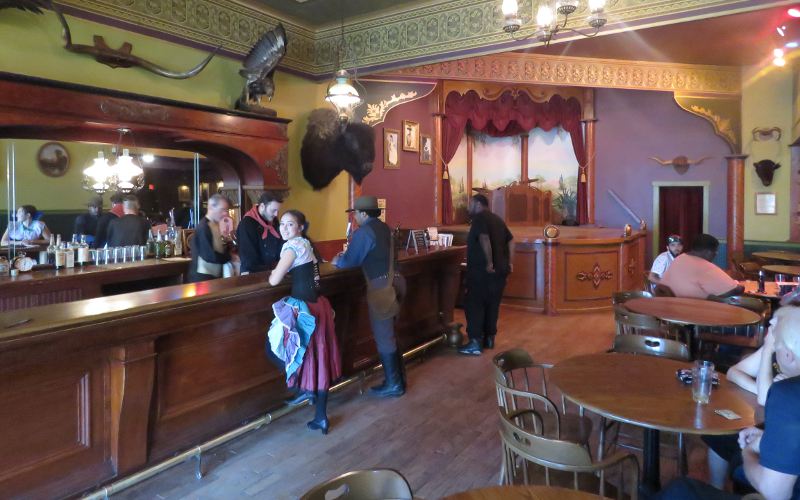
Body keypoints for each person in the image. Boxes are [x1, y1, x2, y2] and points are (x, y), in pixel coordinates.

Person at [654, 305, 800, 500]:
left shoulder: (788, 395)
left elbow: (774, 493)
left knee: (678, 491)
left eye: (777, 346)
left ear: (788, 355)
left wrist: (750, 453)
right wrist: (764, 439)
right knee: (721, 437)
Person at [266, 210, 341, 435]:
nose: (285, 228)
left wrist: (276, 272)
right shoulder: (306, 244)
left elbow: (273, 280)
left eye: (291, 224)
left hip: (304, 309)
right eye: (283, 224)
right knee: (319, 359)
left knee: (273, 347)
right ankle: (320, 415)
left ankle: (301, 384)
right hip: (319, 306)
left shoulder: (292, 246)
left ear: (300, 227)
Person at [332, 195, 405, 398]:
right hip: (397, 282)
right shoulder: (386, 228)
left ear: (364, 213)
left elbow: (350, 261)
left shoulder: (364, 232)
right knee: (391, 333)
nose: (354, 217)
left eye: (355, 213)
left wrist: (338, 259)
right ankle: (398, 379)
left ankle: (394, 384)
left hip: (381, 287)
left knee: (384, 337)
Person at [458, 194, 514, 356]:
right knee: (492, 305)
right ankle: (489, 339)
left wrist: (489, 262)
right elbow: (511, 240)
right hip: (500, 273)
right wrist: (510, 262)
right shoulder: (497, 219)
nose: (468, 208)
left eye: (470, 204)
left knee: (474, 304)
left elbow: (484, 239)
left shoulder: (479, 219)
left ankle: (475, 342)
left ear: (477, 204)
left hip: (481, 272)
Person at [660, 233, 743, 299]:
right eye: (715, 251)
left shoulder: (679, 259)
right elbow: (733, 290)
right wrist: (740, 287)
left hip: (671, 310)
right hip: (695, 314)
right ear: (708, 252)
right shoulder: (705, 266)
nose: (716, 254)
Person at [188, 194, 232, 282]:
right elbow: (209, 256)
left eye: (227, 210)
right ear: (211, 207)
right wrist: (229, 257)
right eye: (222, 210)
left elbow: (219, 247)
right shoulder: (204, 227)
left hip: (212, 276)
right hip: (202, 278)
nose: (225, 213)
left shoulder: (216, 224)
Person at [237, 191, 284, 275]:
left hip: (273, 270)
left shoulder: (273, 219)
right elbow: (249, 260)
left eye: (277, 211)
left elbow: (280, 243)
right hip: (254, 274)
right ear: (262, 206)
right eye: (273, 210)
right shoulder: (247, 224)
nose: (276, 214)